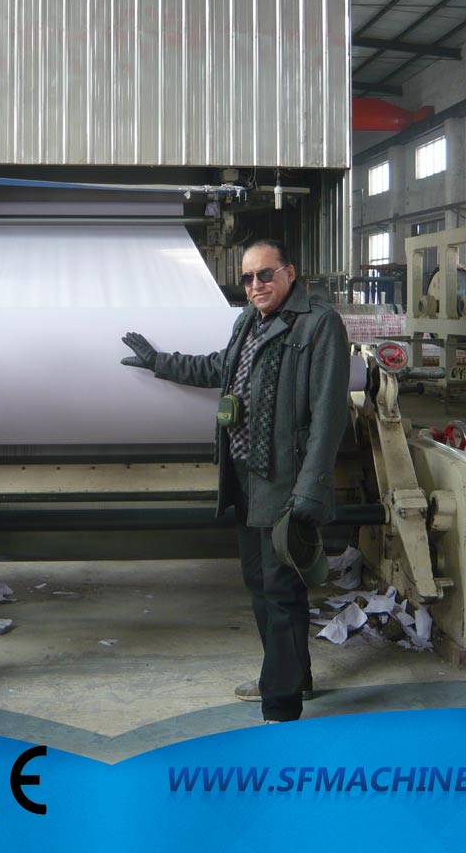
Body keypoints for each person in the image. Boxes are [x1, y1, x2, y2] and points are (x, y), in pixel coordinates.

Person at [120, 239, 349, 723]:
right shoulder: (247, 321)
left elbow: (329, 416)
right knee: (259, 584)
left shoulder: (319, 324)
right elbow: (217, 367)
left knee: (281, 590)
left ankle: (279, 704)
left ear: (289, 273)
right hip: (245, 478)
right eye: (247, 278)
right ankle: (294, 676)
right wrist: (159, 362)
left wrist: (309, 489)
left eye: (265, 274)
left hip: (285, 483)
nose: (256, 285)